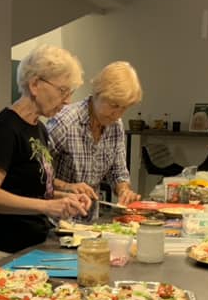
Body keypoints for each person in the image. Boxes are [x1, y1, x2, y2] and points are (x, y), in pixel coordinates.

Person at [0, 45, 91, 265]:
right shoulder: (5, 128)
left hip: (33, 247)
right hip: (1, 251)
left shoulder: (39, 128)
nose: (67, 100)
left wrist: (65, 198)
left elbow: (32, 189)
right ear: (35, 84)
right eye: (62, 91)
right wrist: (47, 206)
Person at [46, 61, 143, 209]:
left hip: (89, 217)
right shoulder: (64, 123)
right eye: (114, 106)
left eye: (124, 108)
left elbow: (118, 172)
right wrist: (67, 186)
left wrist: (124, 190)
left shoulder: (115, 125)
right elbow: (34, 173)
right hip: (57, 214)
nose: (117, 114)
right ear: (98, 93)